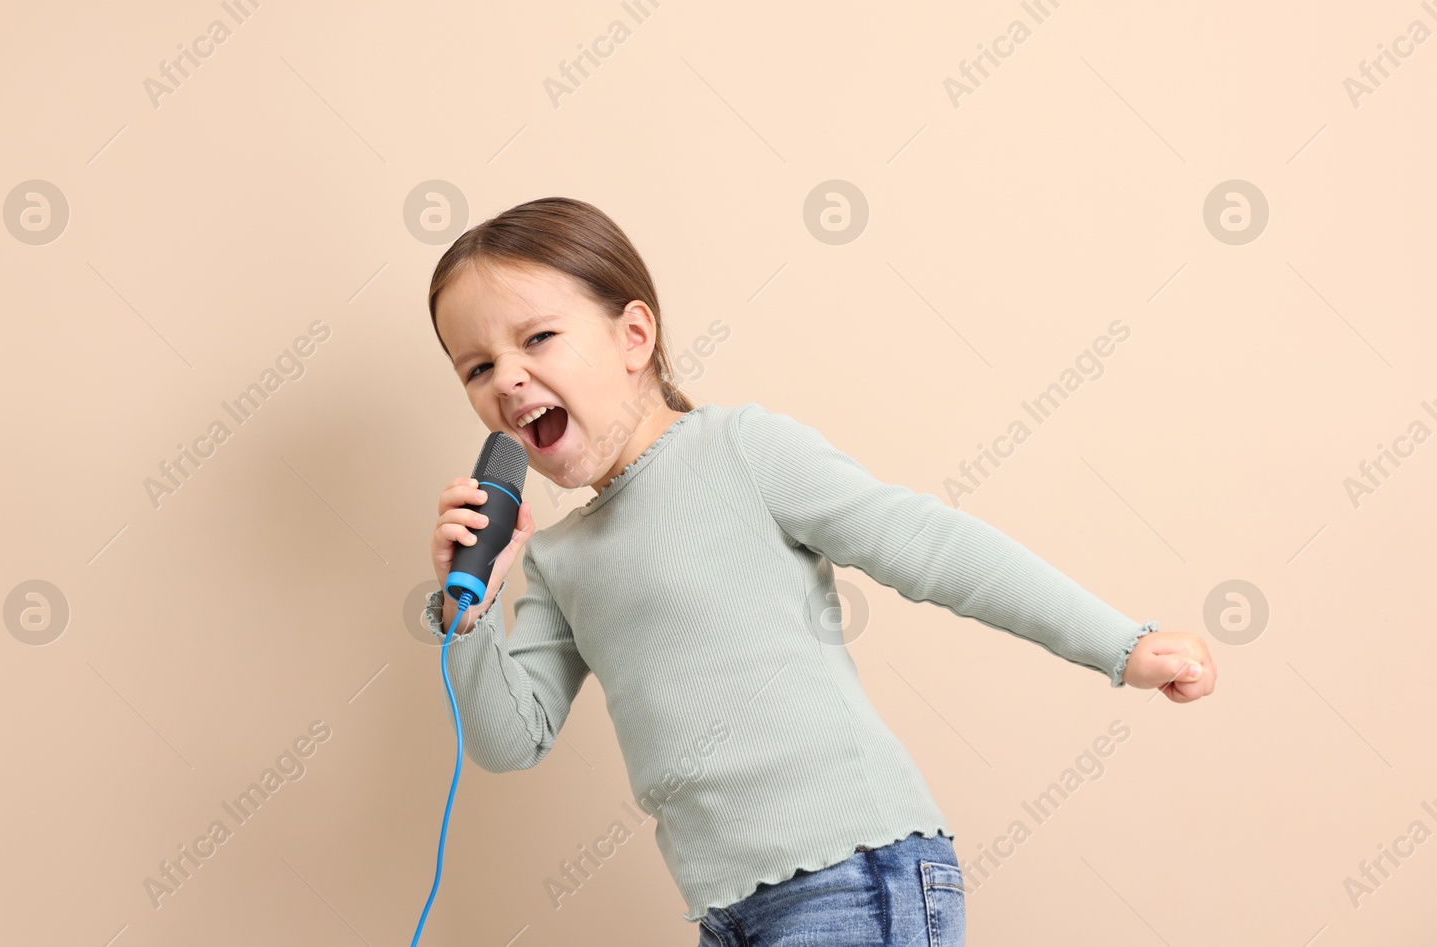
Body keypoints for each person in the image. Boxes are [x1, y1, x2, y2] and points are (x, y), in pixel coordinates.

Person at [422, 196, 1215, 946]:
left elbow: (935, 548)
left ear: (634, 336)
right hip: (727, 910)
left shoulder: (741, 450)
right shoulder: (560, 560)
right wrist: (472, 607)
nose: (509, 378)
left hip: (852, 875)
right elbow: (507, 739)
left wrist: (1121, 643)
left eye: (536, 339)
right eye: (477, 367)